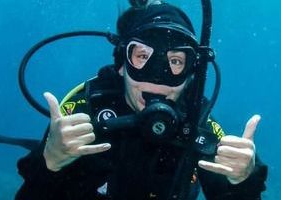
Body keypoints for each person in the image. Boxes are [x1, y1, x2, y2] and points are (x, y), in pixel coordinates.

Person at [15, 2, 267, 199]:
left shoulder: (197, 123)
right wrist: (50, 161)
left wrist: (244, 180)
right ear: (122, 64)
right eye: (142, 56)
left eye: (176, 61)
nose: (157, 79)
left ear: (191, 74)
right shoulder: (86, 110)